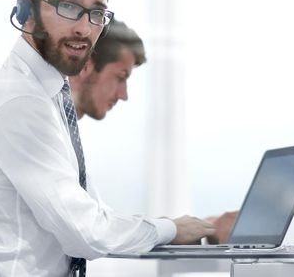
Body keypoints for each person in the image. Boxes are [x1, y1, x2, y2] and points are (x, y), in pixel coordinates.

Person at [0, 0, 215, 276]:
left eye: (96, 13)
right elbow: (84, 234)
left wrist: (168, 229)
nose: (84, 28)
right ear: (26, 10)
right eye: (68, 6)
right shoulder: (18, 100)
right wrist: (170, 230)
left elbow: (89, 214)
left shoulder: (46, 90)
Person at [68, 19, 237, 244]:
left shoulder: (66, 130)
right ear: (86, 66)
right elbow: (89, 230)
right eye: (120, 77)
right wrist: (172, 230)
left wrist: (184, 228)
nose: (123, 94)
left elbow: (98, 220)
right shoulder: (44, 125)